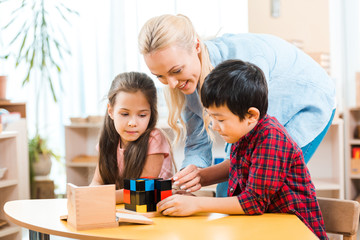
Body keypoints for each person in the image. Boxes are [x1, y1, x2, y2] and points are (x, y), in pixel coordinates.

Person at [138, 14, 336, 196]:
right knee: (229, 189)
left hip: (307, 103)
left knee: (251, 188)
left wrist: (204, 177)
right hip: (263, 120)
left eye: (176, 70)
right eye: (161, 76)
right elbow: (197, 144)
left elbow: (257, 145)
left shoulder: (245, 65)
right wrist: (189, 174)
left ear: (196, 46)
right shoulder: (186, 85)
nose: (172, 84)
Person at [157, 59, 328, 240]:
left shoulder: (271, 137)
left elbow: (253, 202)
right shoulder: (247, 131)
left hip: (296, 233)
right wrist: (201, 177)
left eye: (220, 119)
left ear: (251, 115)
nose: (214, 126)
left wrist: (197, 204)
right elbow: (236, 164)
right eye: (210, 116)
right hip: (265, 228)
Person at [90, 72, 175, 203]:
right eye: (124, 114)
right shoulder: (108, 141)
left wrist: (99, 196)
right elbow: (97, 181)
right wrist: (88, 195)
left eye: (142, 115)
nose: (132, 123)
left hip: (154, 210)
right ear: (111, 111)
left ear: (151, 113)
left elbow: (141, 192)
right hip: (123, 208)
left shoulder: (154, 139)